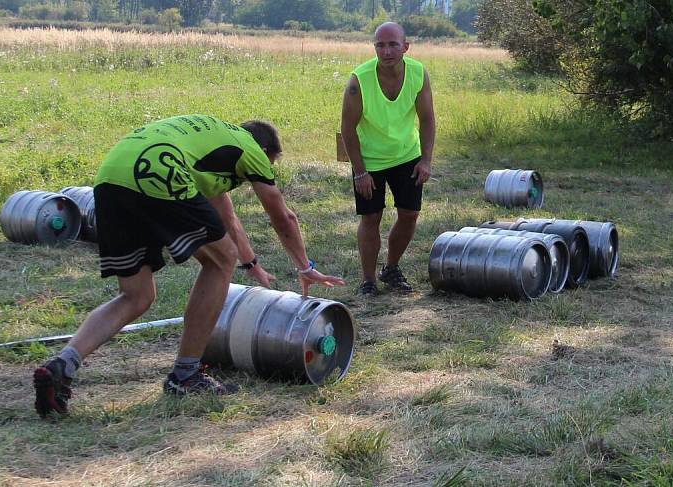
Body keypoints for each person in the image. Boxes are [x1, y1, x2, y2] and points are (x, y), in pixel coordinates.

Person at [33, 114, 345, 417]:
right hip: (158, 171)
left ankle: (62, 365)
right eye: (271, 164)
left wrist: (251, 264)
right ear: (266, 152)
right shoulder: (251, 149)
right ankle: (185, 375)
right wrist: (305, 267)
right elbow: (283, 217)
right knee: (220, 261)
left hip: (111, 179)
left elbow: (227, 218)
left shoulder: (211, 147)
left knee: (136, 296)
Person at [341, 22, 436, 296]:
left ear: (405, 47)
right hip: (370, 160)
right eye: (380, 45)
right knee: (371, 217)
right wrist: (360, 172)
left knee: (410, 214)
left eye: (393, 44)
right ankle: (368, 281)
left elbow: (428, 119)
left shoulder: (418, 73)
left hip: (407, 154)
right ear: (374, 48)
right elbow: (347, 129)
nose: (386, 51)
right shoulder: (358, 81)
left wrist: (426, 160)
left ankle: (391, 268)